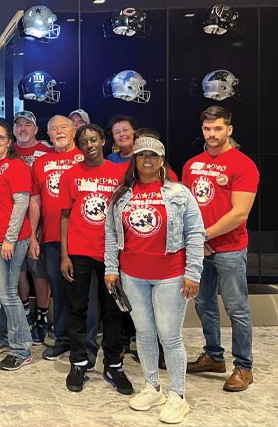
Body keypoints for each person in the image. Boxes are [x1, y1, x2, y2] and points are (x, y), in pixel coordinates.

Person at [105, 136, 205, 424]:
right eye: (141, 155)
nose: (147, 159)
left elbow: (195, 234)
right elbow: (111, 234)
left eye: (153, 155)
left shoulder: (179, 193)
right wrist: (111, 268)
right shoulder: (122, 194)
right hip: (133, 275)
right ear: (134, 161)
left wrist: (192, 273)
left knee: (169, 336)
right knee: (145, 334)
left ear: (162, 161)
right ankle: (153, 387)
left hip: (171, 276)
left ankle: (178, 395)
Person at [183, 106, 259, 392]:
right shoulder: (192, 164)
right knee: (203, 304)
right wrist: (196, 240)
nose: (212, 134)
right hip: (200, 250)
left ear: (229, 129)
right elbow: (189, 207)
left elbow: (240, 213)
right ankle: (214, 357)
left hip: (229, 248)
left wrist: (203, 236)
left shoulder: (242, 164)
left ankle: (244, 366)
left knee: (236, 308)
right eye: (207, 129)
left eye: (217, 129)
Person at [58, 124, 132, 394]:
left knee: (112, 311)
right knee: (77, 309)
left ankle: (113, 364)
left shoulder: (119, 173)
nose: (89, 145)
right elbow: (65, 216)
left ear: (102, 141)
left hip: (110, 252)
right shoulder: (71, 175)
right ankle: (78, 362)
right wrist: (65, 254)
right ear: (79, 146)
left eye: (93, 139)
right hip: (78, 252)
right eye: (84, 141)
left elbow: (126, 213)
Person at [31, 115, 98, 362]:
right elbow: (35, 199)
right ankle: (62, 339)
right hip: (50, 237)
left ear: (74, 132)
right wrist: (33, 235)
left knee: (84, 296)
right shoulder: (41, 162)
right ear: (47, 135)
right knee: (58, 292)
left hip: (82, 239)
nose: (58, 132)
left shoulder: (86, 159)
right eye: (53, 129)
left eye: (63, 128)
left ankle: (88, 345)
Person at [0, 119, 34, 371]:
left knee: (8, 293)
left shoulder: (16, 166)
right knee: (3, 293)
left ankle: (22, 348)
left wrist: (10, 239)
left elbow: (21, 204)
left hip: (10, 238)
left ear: (9, 142)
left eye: (1, 137)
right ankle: (6, 337)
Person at [13, 110, 54, 344]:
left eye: (28, 124)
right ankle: (25, 314)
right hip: (15, 222)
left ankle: (42, 317)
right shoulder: (9, 151)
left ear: (36, 129)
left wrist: (39, 225)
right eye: (19, 125)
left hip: (40, 221)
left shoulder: (46, 152)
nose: (23, 128)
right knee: (18, 270)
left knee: (39, 271)